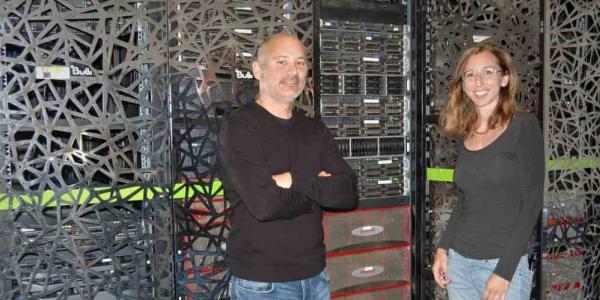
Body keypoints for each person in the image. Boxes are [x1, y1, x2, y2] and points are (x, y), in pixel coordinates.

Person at [218, 32, 359, 300]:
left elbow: (348, 193)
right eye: (281, 61)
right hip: (262, 284)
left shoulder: (314, 128)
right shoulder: (239, 127)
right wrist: (318, 187)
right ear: (257, 70)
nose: (292, 71)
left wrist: (291, 180)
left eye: (299, 63)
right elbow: (265, 204)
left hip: (316, 278)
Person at [432, 43, 544, 300]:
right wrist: (443, 249)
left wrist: (504, 272)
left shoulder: (523, 126)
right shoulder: (466, 131)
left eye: (488, 72)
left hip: (502, 265)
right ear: (462, 83)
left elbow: (531, 204)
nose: (478, 81)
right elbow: (466, 200)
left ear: (504, 78)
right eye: (470, 74)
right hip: (459, 263)